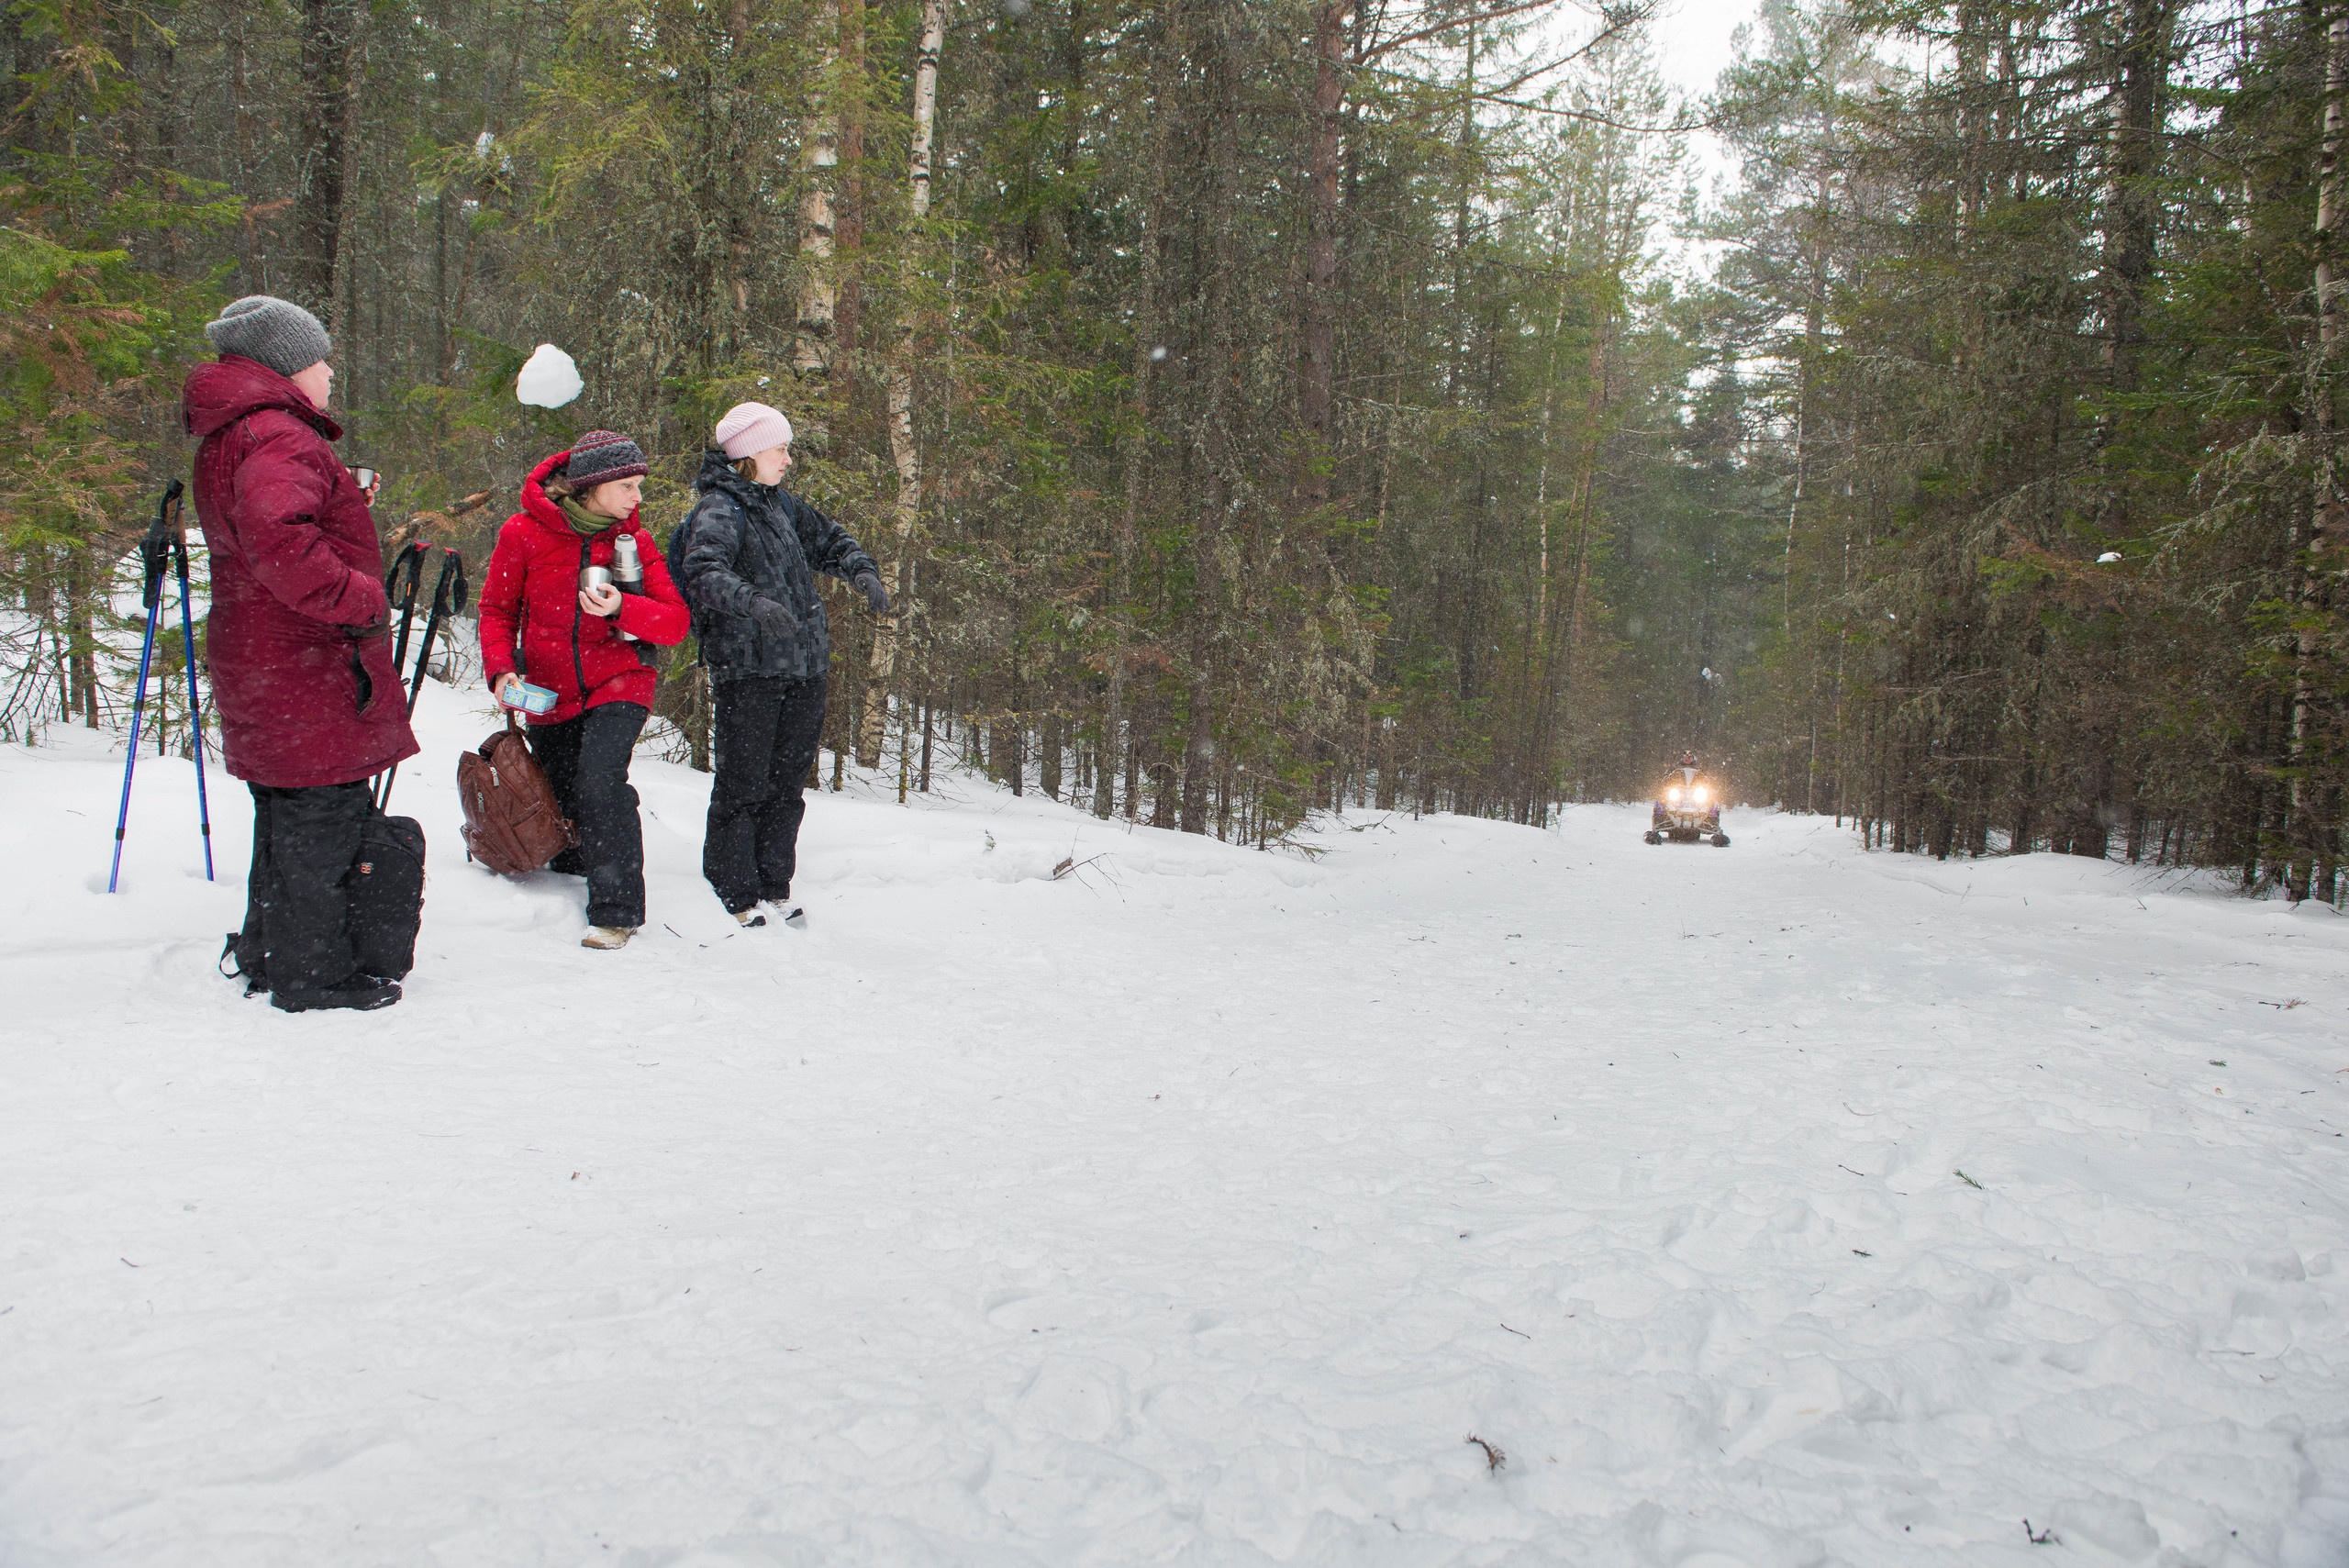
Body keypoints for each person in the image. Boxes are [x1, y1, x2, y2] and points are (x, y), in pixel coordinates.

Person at [184, 295, 417, 1013]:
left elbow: (269, 529)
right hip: (303, 662)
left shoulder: (238, 432)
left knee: (288, 815)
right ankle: (312, 974)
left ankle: (268, 950)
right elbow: (280, 540)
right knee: (323, 816)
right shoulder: (280, 434)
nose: (330, 373)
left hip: (263, 655)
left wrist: (343, 514)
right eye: (320, 360)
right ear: (285, 366)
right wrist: (364, 597)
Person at [675, 403, 885, 928]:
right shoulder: (719, 509)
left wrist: (860, 570)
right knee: (744, 783)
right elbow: (703, 572)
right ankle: (734, 888)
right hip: (748, 668)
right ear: (750, 454)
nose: (789, 459)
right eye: (781, 449)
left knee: (788, 785)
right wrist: (754, 603)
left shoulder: (781, 505)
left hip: (804, 666)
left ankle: (773, 884)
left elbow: (831, 540)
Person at [476, 432, 690, 950]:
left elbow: (675, 623)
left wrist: (622, 607)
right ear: (590, 487)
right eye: (626, 485)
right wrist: (501, 670)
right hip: (549, 690)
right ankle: (564, 872)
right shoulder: (523, 533)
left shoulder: (634, 542)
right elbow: (497, 609)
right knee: (560, 796)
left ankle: (616, 912)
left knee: (600, 782)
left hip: (620, 679)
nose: (637, 496)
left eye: (638, 484)